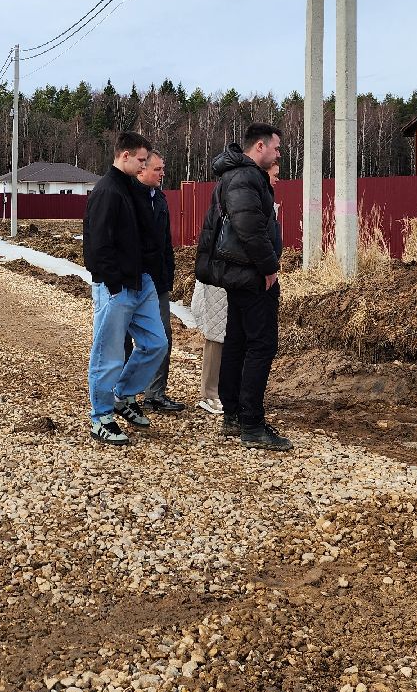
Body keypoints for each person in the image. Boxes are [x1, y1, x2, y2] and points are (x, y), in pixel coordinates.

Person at [193, 123, 292, 451]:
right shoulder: (246, 177)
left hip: (238, 274)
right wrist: (269, 268)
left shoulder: (235, 175)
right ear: (260, 147)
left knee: (235, 342)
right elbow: (249, 227)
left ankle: (233, 416)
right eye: (276, 148)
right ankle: (251, 423)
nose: (279, 154)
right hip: (250, 276)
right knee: (260, 345)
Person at [83, 131, 169, 446]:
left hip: (141, 282)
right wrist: (114, 283)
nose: (146, 164)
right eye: (142, 160)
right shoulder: (107, 191)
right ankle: (101, 417)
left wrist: (151, 276)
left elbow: (147, 238)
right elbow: (96, 245)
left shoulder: (133, 190)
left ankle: (123, 394)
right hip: (116, 286)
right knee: (108, 354)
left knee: (156, 343)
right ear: (125, 156)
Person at [122, 150, 184, 413]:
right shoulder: (126, 198)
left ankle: (155, 393)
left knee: (162, 337)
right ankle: (124, 396)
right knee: (124, 339)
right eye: (158, 169)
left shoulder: (159, 198)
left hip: (156, 282)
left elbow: (165, 243)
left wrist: (167, 274)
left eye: (163, 168)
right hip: (130, 282)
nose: (162, 174)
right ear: (141, 170)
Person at [188, 279, 226, 414]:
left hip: (237, 280)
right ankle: (210, 394)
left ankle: (227, 389)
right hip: (216, 282)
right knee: (216, 337)